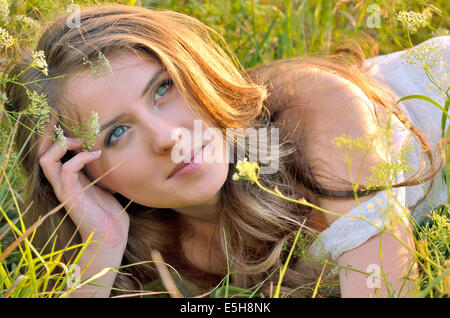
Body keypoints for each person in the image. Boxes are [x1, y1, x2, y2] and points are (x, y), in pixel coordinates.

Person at [4, 4, 449, 297]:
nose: (167, 137)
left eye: (164, 89)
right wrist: (101, 245)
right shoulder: (150, 250)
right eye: (116, 133)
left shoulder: (310, 110)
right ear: (77, 170)